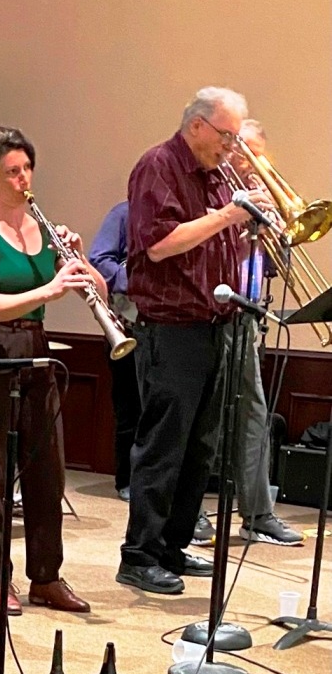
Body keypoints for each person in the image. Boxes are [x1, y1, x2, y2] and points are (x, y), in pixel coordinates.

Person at [116, 86, 275, 595]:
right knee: (164, 446)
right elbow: (158, 246)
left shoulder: (217, 176)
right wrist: (229, 215)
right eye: (227, 136)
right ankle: (139, 554)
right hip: (171, 328)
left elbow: (214, 243)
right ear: (197, 126)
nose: (232, 147)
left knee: (200, 448)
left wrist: (251, 230)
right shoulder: (158, 166)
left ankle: (173, 546)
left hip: (216, 325)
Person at [0, 125, 98, 616]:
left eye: (27, 168)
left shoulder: (46, 228)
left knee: (46, 469)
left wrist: (78, 259)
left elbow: (94, 287)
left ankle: (46, 577)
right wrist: (49, 290)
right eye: (12, 171)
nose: (23, 179)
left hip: (35, 347)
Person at [222, 119, 302, 546]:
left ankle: (256, 513)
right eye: (244, 153)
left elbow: (277, 269)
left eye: (256, 155)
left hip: (247, 316)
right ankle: (186, 515)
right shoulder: (214, 192)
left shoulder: (259, 200)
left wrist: (273, 232)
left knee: (253, 413)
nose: (252, 164)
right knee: (201, 419)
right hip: (209, 314)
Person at [88, 201, 140, 502]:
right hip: (128, 326)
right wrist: (133, 279)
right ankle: (127, 480)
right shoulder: (123, 213)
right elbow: (98, 260)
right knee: (130, 409)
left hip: (168, 329)